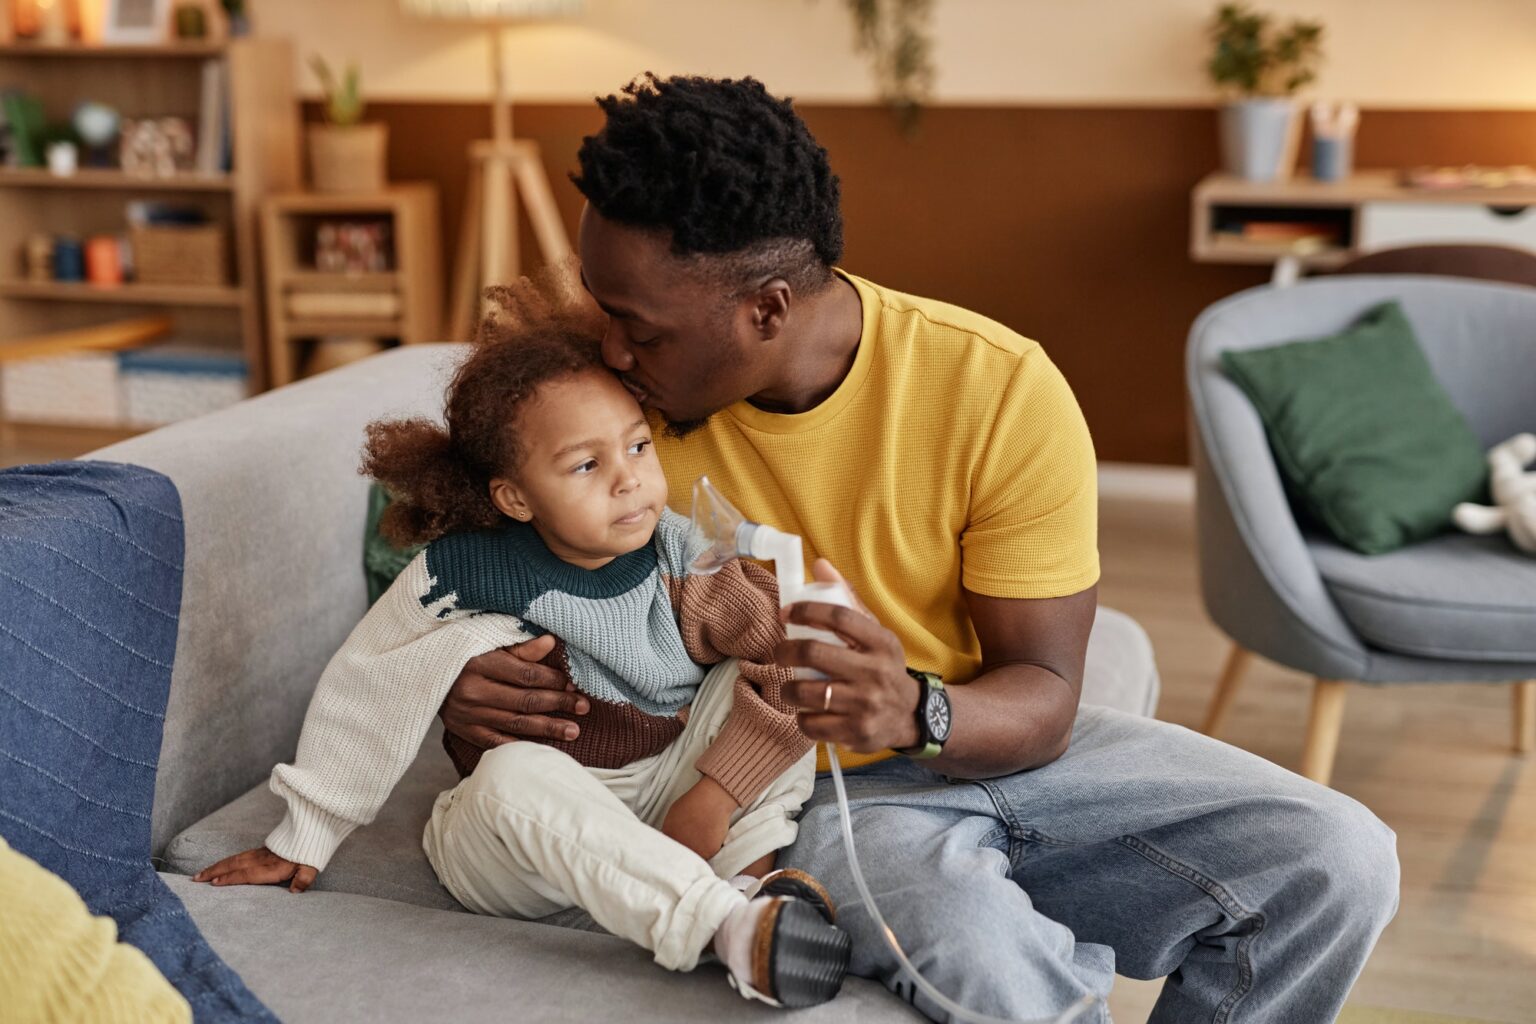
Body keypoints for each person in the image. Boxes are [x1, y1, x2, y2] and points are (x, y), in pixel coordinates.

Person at [439, 74, 1401, 1022]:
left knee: (1339, 860)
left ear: (767, 309)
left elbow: (1047, 696)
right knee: (990, 961)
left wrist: (912, 709)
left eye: (636, 328)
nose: (608, 351)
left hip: (975, 742)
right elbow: (469, 593)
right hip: (791, 795)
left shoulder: (997, 390)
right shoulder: (600, 428)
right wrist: (466, 693)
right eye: (604, 312)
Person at [193, 322, 853, 1010]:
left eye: (637, 445)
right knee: (511, 778)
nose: (629, 480)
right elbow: (370, 686)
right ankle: (724, 922)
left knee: (790, 671)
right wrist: (305, 835)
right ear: (514, 496)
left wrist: (712, 797)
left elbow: (796, 662)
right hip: (524, 841)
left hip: (668, 799)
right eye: (586, 466)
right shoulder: (466, 572)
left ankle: (743, 886)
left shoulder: (682, 557)